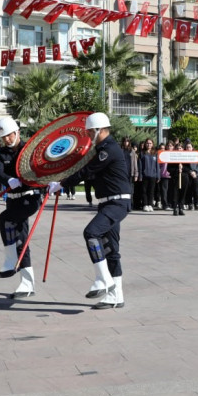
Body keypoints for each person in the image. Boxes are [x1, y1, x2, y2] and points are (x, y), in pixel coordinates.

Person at [51, 112, 131, 309]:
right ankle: (116, 296)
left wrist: (61, 184)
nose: (87, 135)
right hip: (108, 203)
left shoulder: (108, 149)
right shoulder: (101, 149)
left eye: (89, 131)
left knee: (91, 232)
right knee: (112, 250)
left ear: (99, 130)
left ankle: (104, 280)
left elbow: (86, 171)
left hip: (117, 203)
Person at [0, 117, 43, 299]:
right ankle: (27, 283)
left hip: (29, 199)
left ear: (17, 132)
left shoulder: (29, 149)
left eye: (9, 135)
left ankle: (10, 259)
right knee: (21, 239)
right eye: (3, 137)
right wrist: (8, 180)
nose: (6, 139)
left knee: (4, 219)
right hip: (13, 199)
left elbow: (40, 167)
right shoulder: (0, 153)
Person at [138, 138, 159, 212]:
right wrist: (140, 175)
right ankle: (145, 204)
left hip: (153, 175)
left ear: (152, 144)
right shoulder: (142, 153)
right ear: (145, 144)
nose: (149, 144)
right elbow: (140, 166)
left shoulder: (155, 153)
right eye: (147, 143)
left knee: (151, 191)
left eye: (150, 143)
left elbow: (157, 165)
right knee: (144, 191)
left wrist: (158, 175)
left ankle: (150, 204)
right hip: (144, 175)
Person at [186, 142, 198, 210]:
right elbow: (185, 166)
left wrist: (195, 172)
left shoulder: (197, 155)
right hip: (188, 174)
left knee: (196, 190)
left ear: (192, 148)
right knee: (189, 190)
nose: (188, 148)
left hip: (196, 175)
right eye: (187, 147)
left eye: (189, 147)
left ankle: (196, 203)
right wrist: (190, 172)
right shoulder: (183, 155)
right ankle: (189, 203)